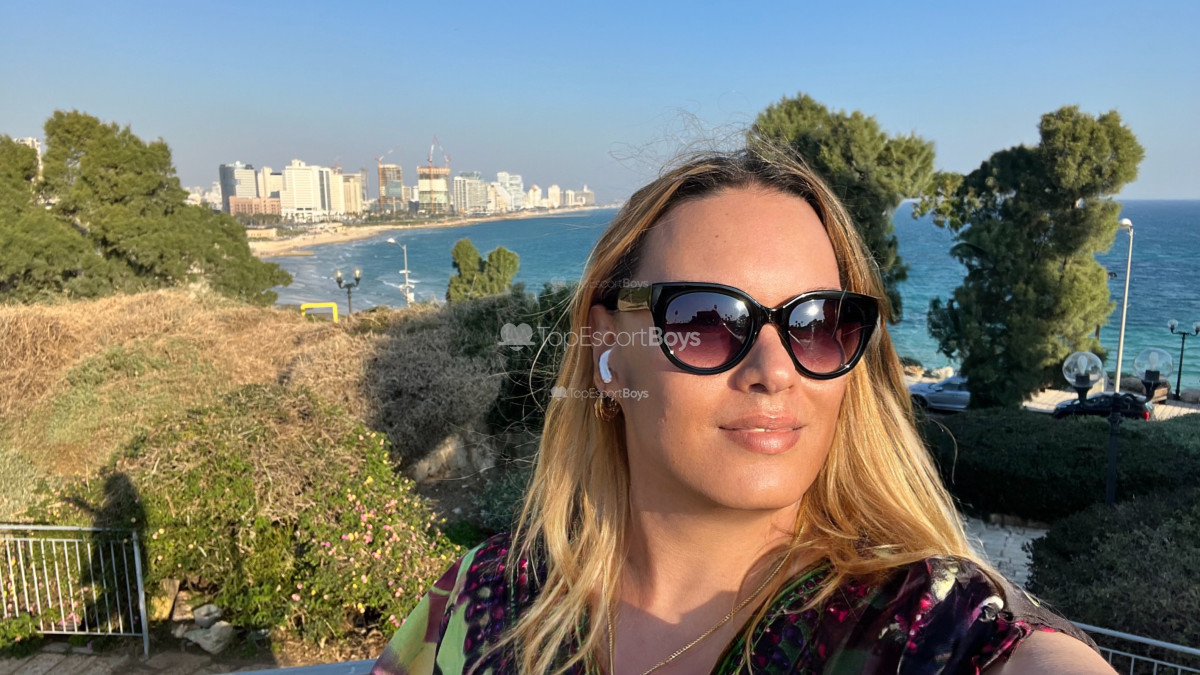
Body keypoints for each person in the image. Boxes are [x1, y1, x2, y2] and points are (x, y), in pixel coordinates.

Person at [371, 146, 1114, 674]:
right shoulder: (481, 599)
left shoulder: (929, 631)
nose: (775, 371)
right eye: (704, 320)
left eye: (819, 324)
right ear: (608, 347)